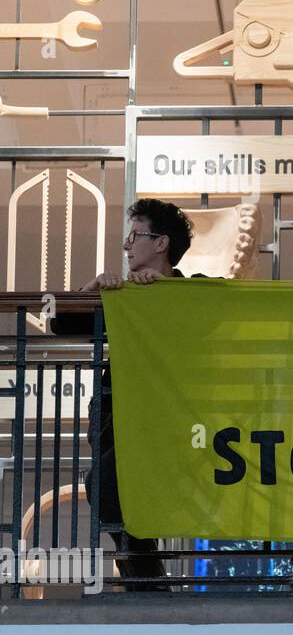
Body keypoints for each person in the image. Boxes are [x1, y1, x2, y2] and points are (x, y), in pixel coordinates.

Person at [51, 198, 204, 591]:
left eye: (136, 235)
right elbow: (59, 324)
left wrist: (164, 293)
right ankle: (150, 590)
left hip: (166, 418)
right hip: (115, 416)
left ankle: (148, 590)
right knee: (105, 490)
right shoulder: (120, 296)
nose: (126, 245)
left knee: (105, 486)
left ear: (161, 243)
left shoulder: (194, 290)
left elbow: (215, 319)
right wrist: (92, 291)